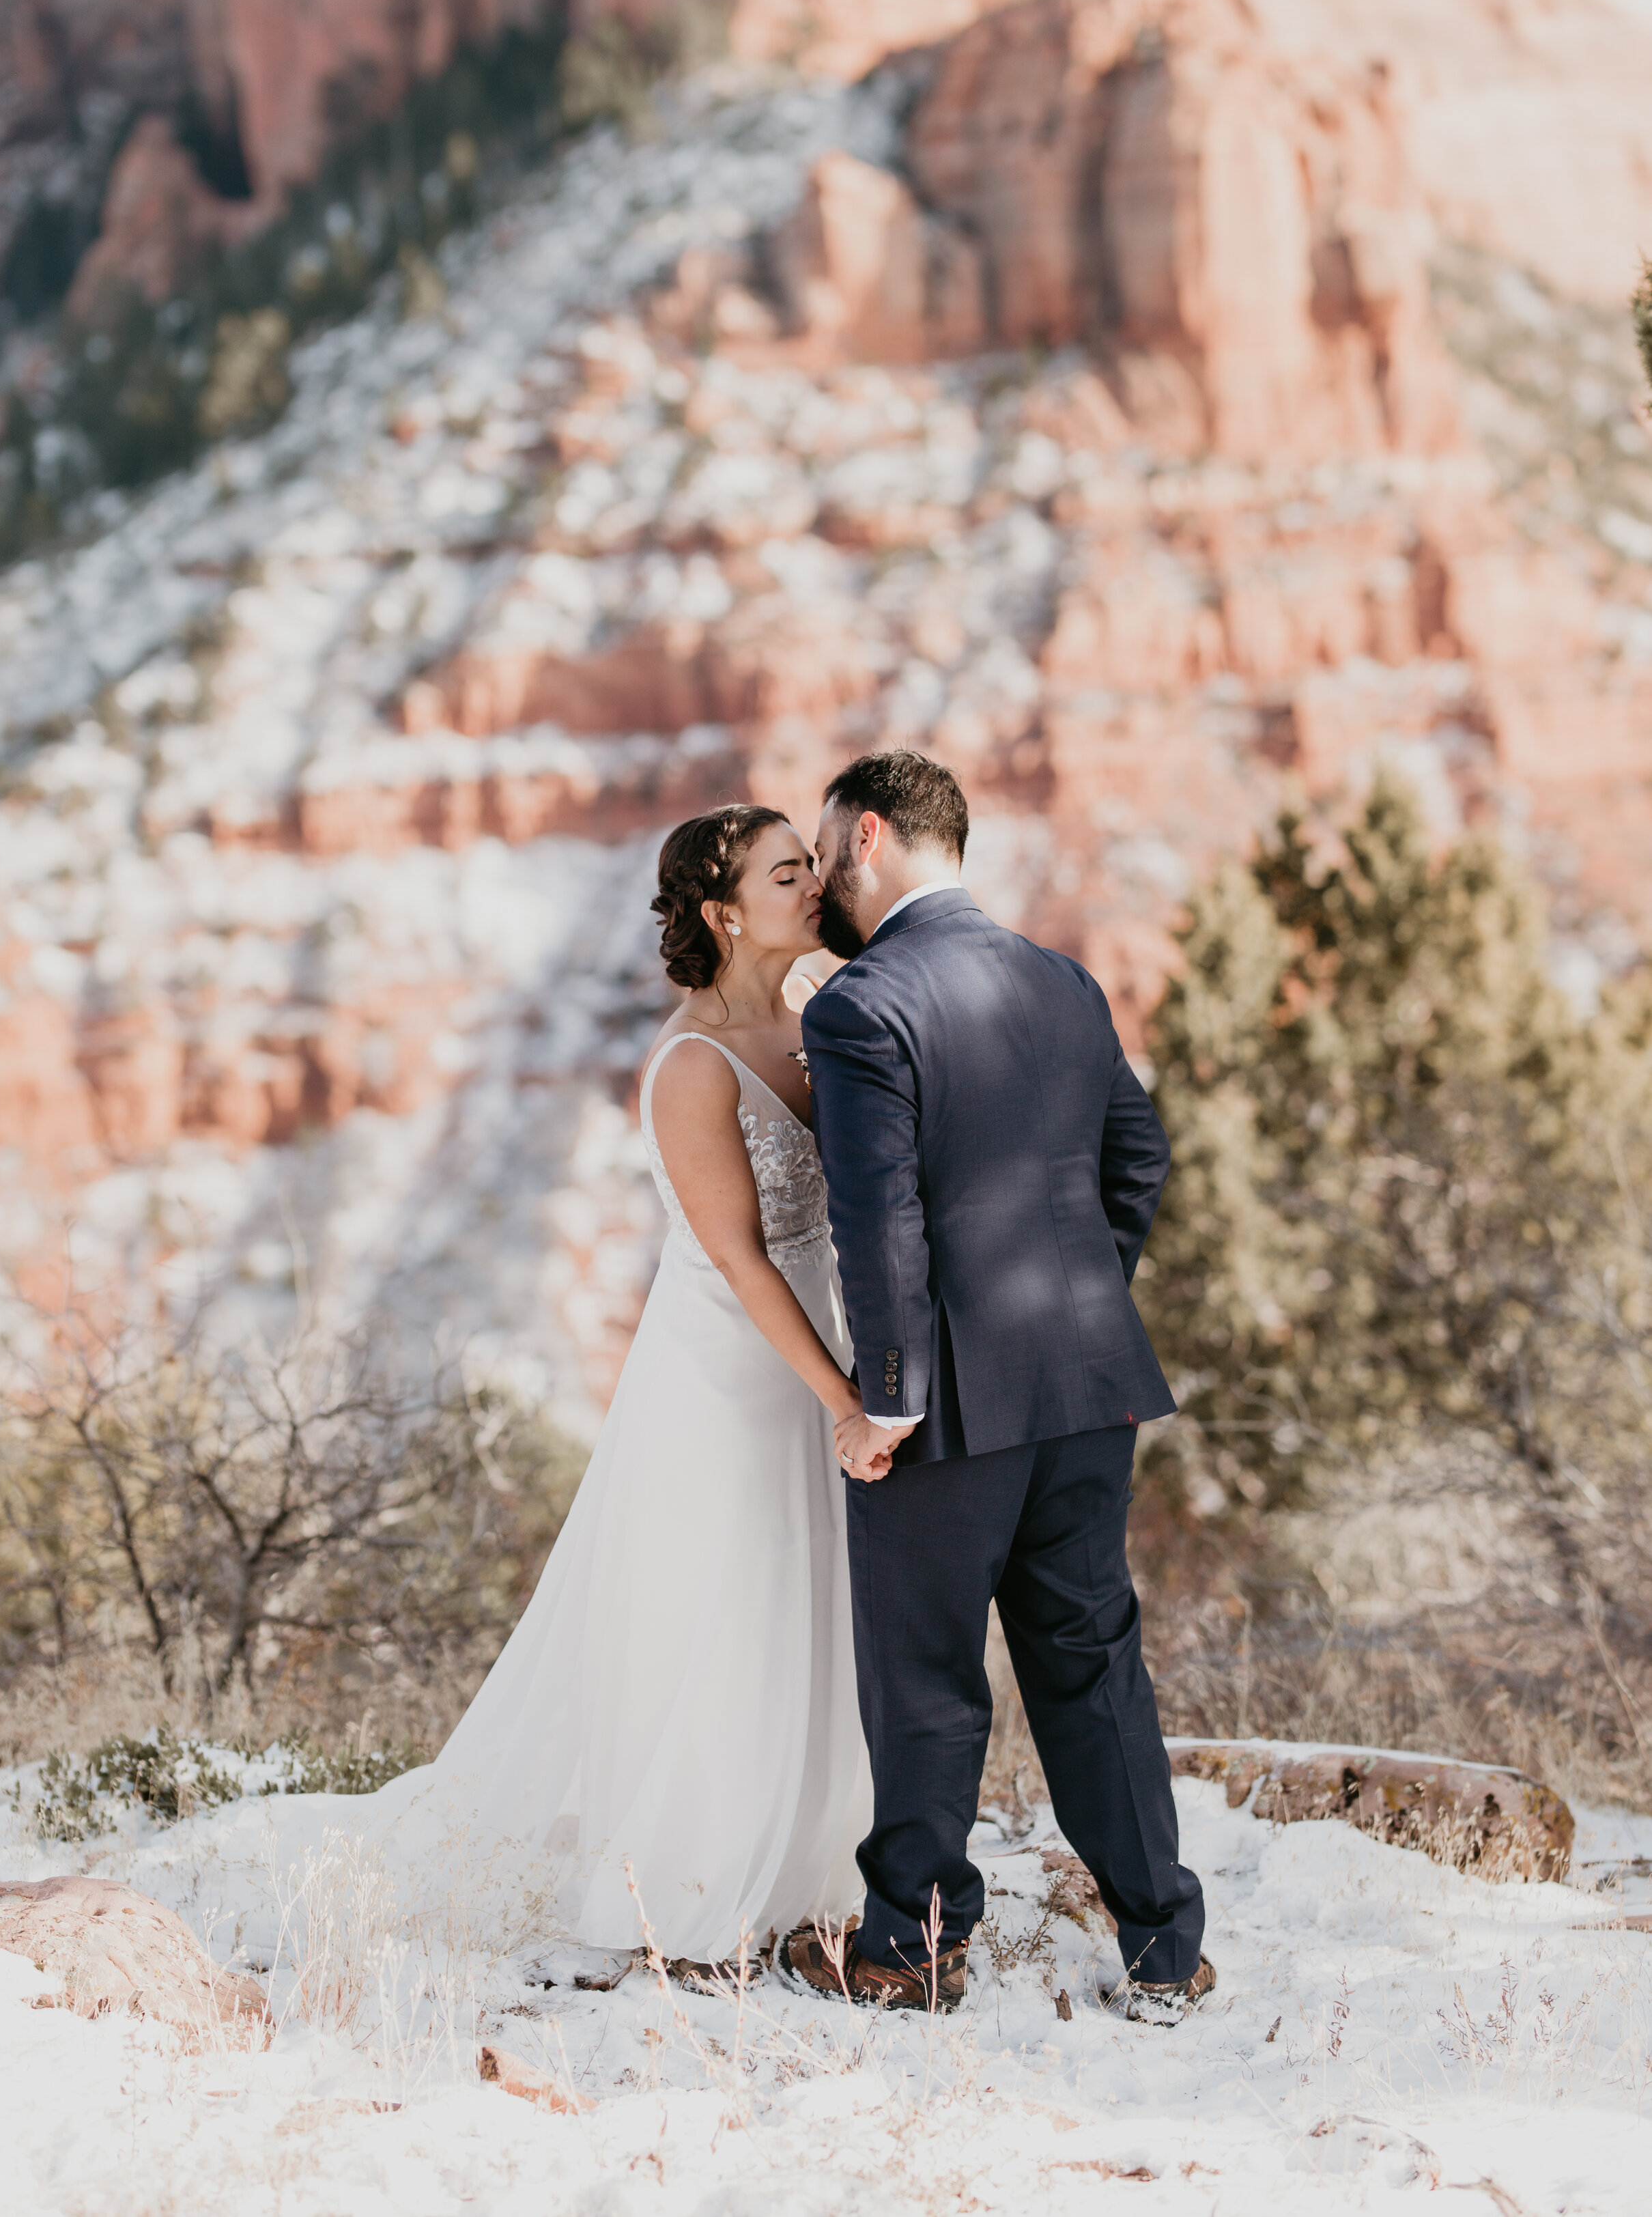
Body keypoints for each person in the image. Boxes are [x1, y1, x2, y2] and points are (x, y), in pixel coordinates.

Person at [363, 805, 874, 1978]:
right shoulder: (691, 1067)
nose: (815, 885)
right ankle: (694, 1892)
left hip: (824, 1345)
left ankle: (820, 1866)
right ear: (723, 910)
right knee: (735, 1608)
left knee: (823, 1601)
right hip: (732, 1376)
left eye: (813, 865)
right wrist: (838, 1394)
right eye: (788, 871)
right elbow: (742, 1256)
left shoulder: (812, 1023)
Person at [781, 750, 1212, 2023]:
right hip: (1086, 1391)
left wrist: (895, 1396)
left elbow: (880, 1219)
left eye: (825, 853)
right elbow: (1140, 1160)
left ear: (867, 838)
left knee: (925, 1678)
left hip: (949, 1414)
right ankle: (1165, 1951)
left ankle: (912, 1951)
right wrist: (1077, 1305)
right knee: (1093, 1664)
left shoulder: (861, 1007)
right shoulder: (1062, 979)